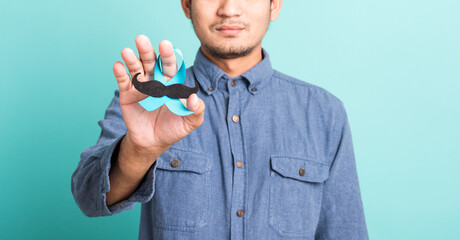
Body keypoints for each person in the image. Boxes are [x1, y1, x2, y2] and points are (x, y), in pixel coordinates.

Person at [71, 0, 368, 239]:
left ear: (274, 5)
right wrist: (140, 151)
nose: (229, 8)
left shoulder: (324, 113)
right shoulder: (149, 99)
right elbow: (88, 197)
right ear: (186, 4)